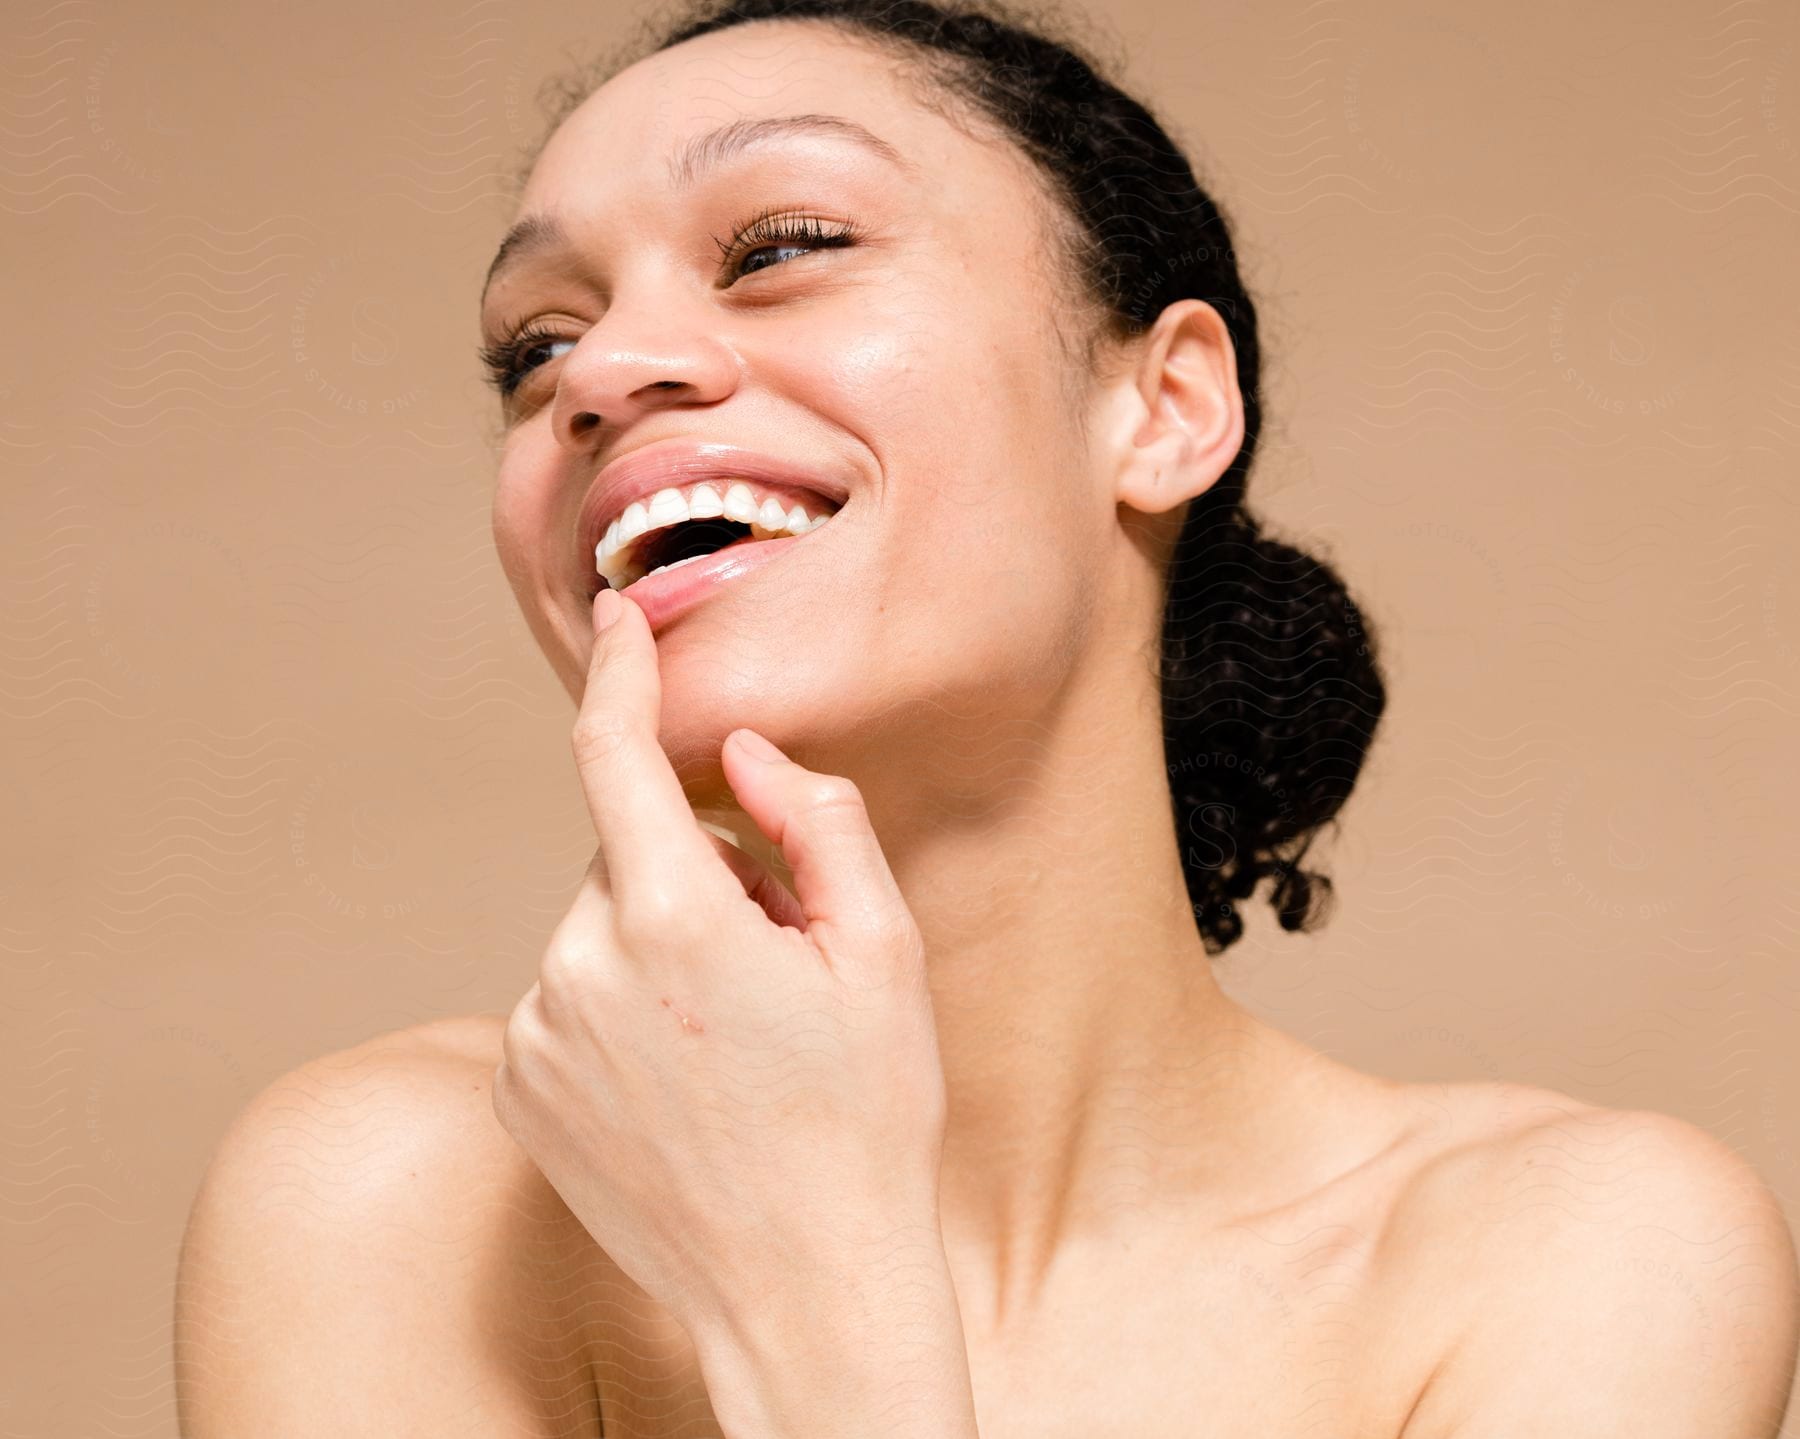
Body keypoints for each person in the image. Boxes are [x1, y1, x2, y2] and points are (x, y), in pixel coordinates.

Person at [173, 1, 1800, 1434]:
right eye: (537, 346)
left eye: (780, 246)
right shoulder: (396, 1203)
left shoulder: (1576, 1255)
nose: (603, 372)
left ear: (1164, 409)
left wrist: (813, 1297)